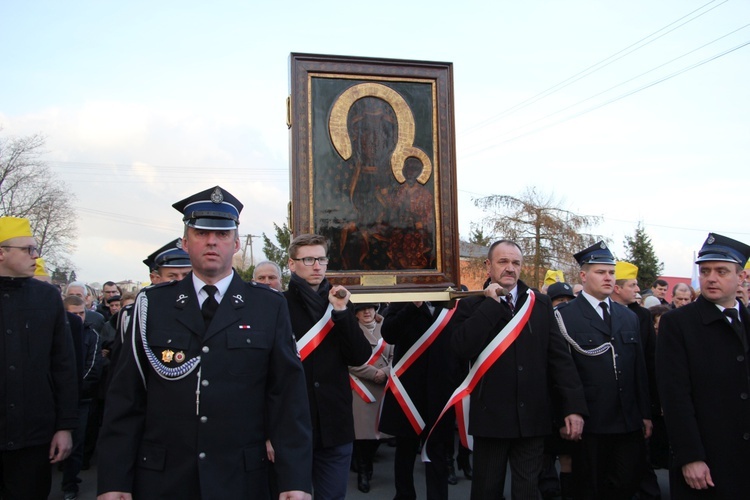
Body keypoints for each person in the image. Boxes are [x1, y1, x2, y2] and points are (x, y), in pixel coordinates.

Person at [97, 186, 312, 499]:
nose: (212, 241)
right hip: (164, 479)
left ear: (236, 243)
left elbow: (287, 398)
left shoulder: (267, 306)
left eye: (223, 234)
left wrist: (295, 480)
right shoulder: (151, 305)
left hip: (240, 479)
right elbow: (125, 400)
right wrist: (114, 480)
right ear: (185, 242)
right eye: (201, 233)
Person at [450, 239, 587, 500]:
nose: (510, 268)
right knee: (486, 491)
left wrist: (573, 406)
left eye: (516, 263)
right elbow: (460, 348)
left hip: (532, 419)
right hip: (491, 420)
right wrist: (491, 305)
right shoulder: (471, 305)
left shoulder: (539, 303)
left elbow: (559, 359)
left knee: (527, 492)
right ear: (488, 266)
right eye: (503, 262)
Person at [657, 233, 750, 498]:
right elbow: (675, 396)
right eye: (705, 270)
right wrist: (690, 456)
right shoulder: (678, 324)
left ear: (741, 277)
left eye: (722, 271)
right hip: (707, 459)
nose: (711, 278)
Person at [556, 242, 652, 500]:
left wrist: (645, 413)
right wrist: (568, 410)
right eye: (601, 272)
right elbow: (561, 370)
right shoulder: (564, 316)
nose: (608, 278)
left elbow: (638, 369)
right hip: (590, 420)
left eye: (611, 272)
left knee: (626, 483)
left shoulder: (628, 316)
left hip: (627, 419)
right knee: (589, 487)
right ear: (584, 276)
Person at [284, 233, 371, 499]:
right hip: (293, 427)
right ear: (291, 264)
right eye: (308, 259)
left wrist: (343, 312)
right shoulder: (279, 305)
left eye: (321, 259)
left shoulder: (340, 302)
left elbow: (359, 356)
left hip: (335, 425)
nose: (317, 266)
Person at [0, 216, 78, 499]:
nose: (36, 255)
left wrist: (65, 427)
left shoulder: (46, 298)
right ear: (1, 253)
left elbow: (64, 366)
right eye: (28, 249)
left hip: (33, 439)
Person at [379, 299, 457, 500]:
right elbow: (388, 333)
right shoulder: (402, 302)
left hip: (440, 390)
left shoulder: (450, 304)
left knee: (437, 451)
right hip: (408, 391)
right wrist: (412, 306)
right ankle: (404, 495)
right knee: (405, 451)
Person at [611, 261, 662, 499]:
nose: (637, 289)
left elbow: (649, 361)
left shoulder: (641, 316)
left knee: (641, 457)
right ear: (617, 288)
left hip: (637, 399)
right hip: (608, 404)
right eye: (632, 285)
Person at [348, 303, 393, 493]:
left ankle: (364, 464)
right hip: (361, 387)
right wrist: (373, 374)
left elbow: (396, 356)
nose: (367, 312)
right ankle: (364, 472)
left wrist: (384, 372)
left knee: (378, 435)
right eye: (361, 309)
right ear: (355, 313)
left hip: (383, 385)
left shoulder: (387, 329)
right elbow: (347, 359)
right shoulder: (350, 330)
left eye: (371, 308)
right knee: (363, 435)